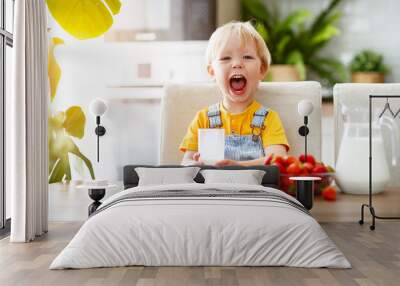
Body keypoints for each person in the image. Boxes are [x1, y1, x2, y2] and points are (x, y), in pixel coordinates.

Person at [180, 21, 289, 166]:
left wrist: (238, 167)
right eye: (226, 58)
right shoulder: (203, 120)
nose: (237, 63)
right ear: (212, 71)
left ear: (262, 69)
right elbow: (185, 162)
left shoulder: (268, 119)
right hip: (212, 188)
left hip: (256, 189)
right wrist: (196, 164)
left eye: (247, 57)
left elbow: (278, 161)